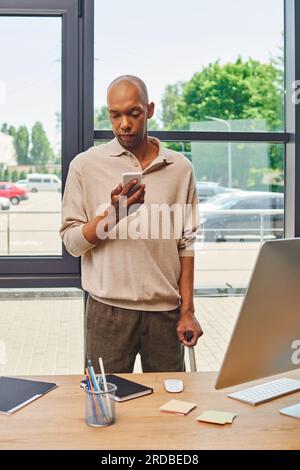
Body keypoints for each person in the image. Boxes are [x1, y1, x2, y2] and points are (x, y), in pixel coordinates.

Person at [60, 75, 203, 373]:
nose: (124, 124)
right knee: (104, 408)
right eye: (115, 115)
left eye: (133, 113)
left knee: (170, 407)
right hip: (107, 312)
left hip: (165, 313)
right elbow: (72, 243)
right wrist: (112, 216)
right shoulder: (85, 166)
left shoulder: (180, 168)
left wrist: (187, 311)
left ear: (149, 110)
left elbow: (186, 245)